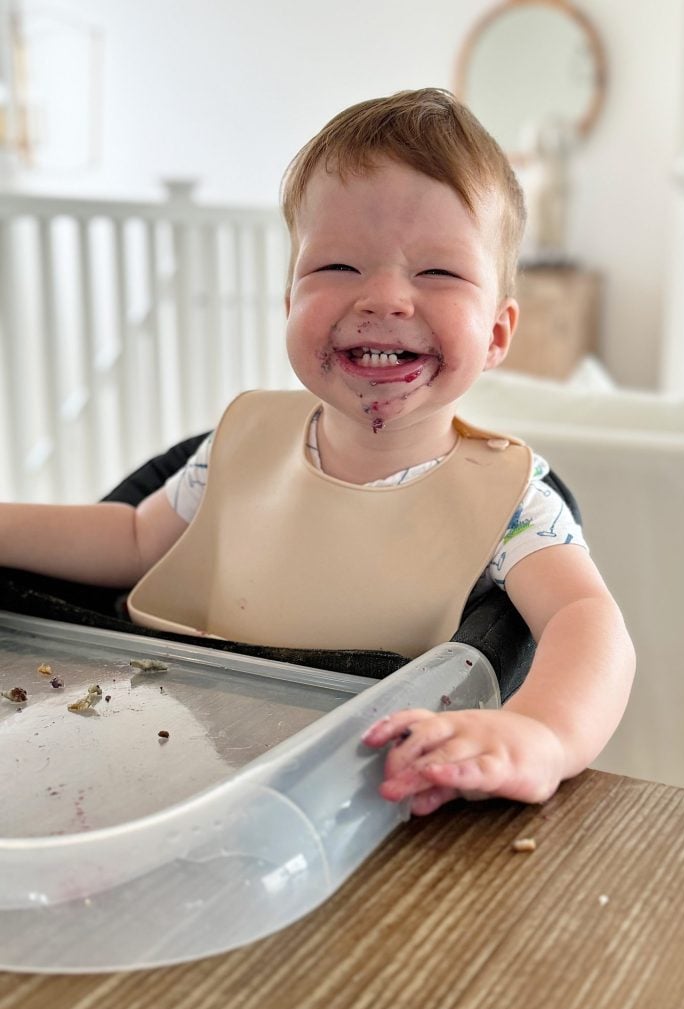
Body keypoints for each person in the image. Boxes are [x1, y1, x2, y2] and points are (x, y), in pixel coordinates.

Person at [0, 88, 634, 816]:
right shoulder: (238, 446)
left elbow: (586, 621)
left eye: (438, 273)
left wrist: (539, 735)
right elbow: (134, 538)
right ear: (289, 304)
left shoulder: (513, 504)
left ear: (496, 333)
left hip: (360, 795)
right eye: (337, 268)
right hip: (170, 748)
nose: (386, 298)